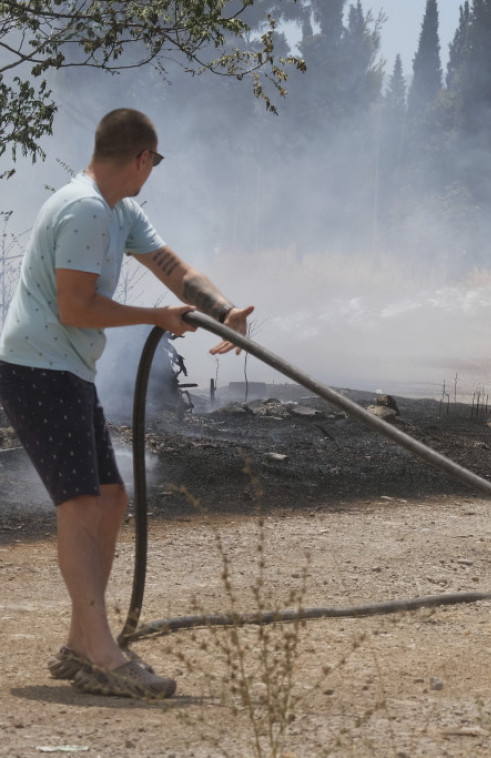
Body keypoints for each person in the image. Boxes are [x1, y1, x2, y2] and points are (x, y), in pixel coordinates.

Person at [0, 108, 253, 699]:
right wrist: (155, 319)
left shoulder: (118, 210)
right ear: (142, 158)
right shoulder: (84, 209)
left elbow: (176, 270)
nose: (152, 170)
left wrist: (224, 311)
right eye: (154, 161)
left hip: (64, 368)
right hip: (38, 368)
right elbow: (76, 308)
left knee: (110, 498)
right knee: (81, 504)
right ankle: (103, 654)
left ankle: (81, 642)